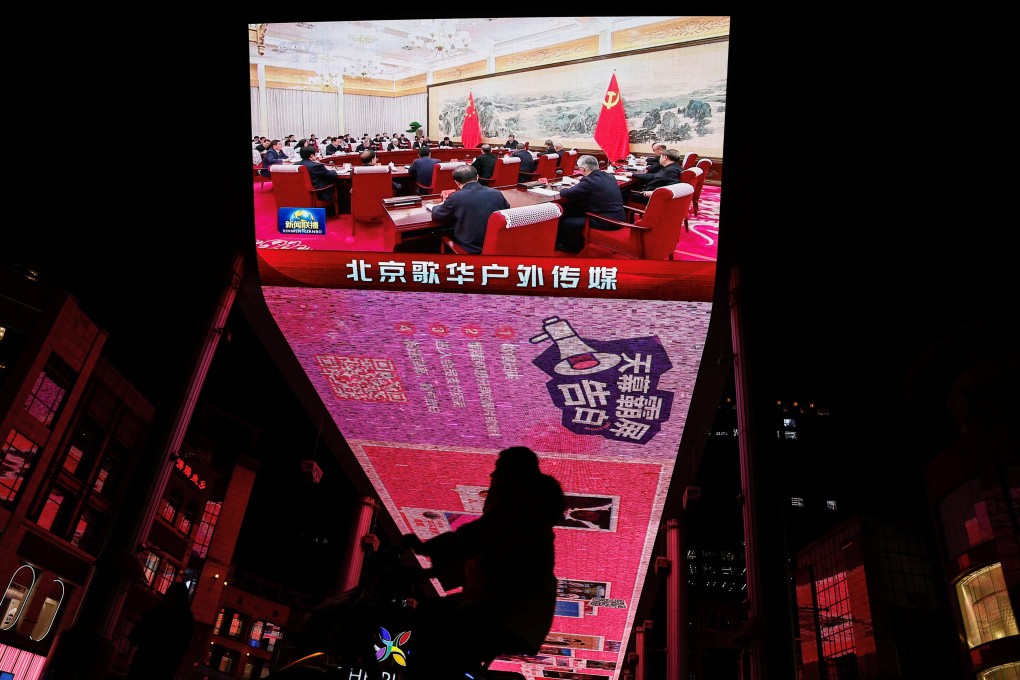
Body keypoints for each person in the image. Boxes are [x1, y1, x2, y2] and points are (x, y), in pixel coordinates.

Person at [400, 446, 564, 678]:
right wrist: (430, 573)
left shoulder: (521, 503)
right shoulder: (532, 508)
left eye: (497, 470)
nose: (492, 476)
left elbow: (479, 537)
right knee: (440, 620)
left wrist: (426, 548)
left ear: (512, 471)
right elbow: (488, 558)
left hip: (507, 613)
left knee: (433, 626)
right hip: (519, 616)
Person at [428, 165, 510, 254]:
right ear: (477, 177)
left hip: (468, 249)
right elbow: (506, 211)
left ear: (457, 183)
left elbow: (438, 215)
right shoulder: (496, 194)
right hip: (494, 247)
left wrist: (436, 207)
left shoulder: (456, 197)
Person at [555, 154, 626, 253]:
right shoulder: (610, 176)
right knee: (575, 210)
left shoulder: (589, 181)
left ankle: (570, 248)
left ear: (582, 169)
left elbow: (567, 193)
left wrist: (563, 189)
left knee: (567, 221)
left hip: (606, 221)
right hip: (620, 216)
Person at [125, 582, 195, 680]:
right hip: (162, 669)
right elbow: (182, 647)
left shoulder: (156, 614)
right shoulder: (184, 620)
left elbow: (135, 636)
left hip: (144, 665)